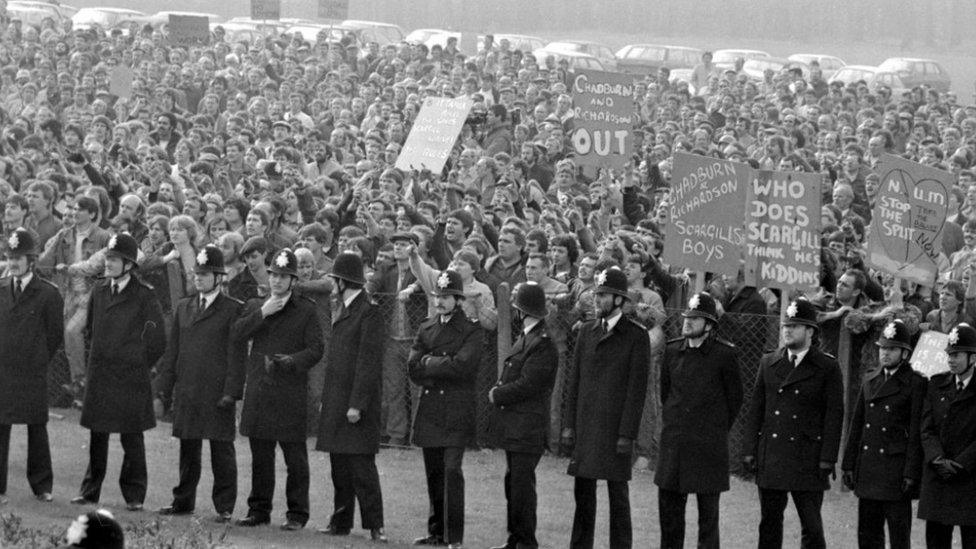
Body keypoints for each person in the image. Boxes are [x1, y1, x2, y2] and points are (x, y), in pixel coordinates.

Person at [72, 233, 167, 511]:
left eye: (114, 259)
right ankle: (90, 491)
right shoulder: (99, 291)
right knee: (97, 436)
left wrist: (136, 362)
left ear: (129, 264)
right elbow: (90, 329)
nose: (108, 263)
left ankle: (134, 496)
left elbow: (157, 340)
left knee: (132, 437)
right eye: (108, 258)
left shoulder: (144, 295)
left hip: (130, 377)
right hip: (101, 373)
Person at [153, 245, 246, 522]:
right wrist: (163, 388)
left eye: (206, 274)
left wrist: (232, 391)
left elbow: (237, 357)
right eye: (197, 274)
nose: (199, 278)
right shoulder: (185, 306)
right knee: (188, 449)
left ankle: (224, 506)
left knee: (221, 451)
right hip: (189, 389)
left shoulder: (232, 309)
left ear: (219, 277)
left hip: (217, 391)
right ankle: (183, 501)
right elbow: (173, 353)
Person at [742, 298, 844, 549]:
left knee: (811, 525)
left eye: (795, 326)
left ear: (810, 331)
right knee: (769, 523)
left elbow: (834, 415)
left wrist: (827, 458)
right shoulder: (770, 362)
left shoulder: (827, 366)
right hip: (773, 453)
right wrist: (749, 449)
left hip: (807, 457)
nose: (787, 330)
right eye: (786, 326)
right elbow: (756, 408)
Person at [234, 248, 324, 530]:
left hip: (289, 391)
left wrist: (292, 361)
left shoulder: (306, 309)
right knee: (261, 455)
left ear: (293, 281)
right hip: (261, 389)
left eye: (284, 277)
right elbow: (236, 334)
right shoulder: (255, 305)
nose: (277, 281)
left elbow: (316, 349)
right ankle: (258, 510)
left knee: (294, 457)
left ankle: (297, 514)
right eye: (274, 275)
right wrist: (262, 312)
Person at [561, 267, 650, 549]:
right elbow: (573, 382)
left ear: (620, 300)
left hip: (615, 429)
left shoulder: (636, 336)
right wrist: (568, 425)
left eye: (604, 295)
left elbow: (637, 392)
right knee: (583, 493)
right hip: (587, 425)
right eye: (597, 294)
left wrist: (627, 434)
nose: (598, 300)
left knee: (618, 495)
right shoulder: (586, 331)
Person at [655, 291, 743, 549]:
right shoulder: (672, 350)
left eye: (696, 318)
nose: (688, 322)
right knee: (670, 518)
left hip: (708, 447)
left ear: (709, 326)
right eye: (687, 317)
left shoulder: (724, 355)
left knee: (708, 519)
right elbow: (666, 393)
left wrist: (713, 428)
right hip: (675, 445)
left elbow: (734, 399)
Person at [408, 269, 483, 549]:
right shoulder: (427, 327)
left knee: (452, 472)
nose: (440, 301)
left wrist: (431, 363)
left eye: (447, 297)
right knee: (434, 472)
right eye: (437, 295)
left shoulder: (471, 329)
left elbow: (464, 366)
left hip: (456, 409)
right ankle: (436, 531)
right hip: (431, 409)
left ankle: (454, 537)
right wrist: (439, 364)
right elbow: (413, 367)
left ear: (458, 299)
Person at [315, 252, 387, 542]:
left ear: (343, 281)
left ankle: (375, 525)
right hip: (337, 398)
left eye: (335, 279)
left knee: (361, 467)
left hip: (356, 402)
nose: (332, 284)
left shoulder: (368, 313)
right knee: (339, 466)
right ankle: (340, 521)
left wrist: (357, 404)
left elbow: (368, 363)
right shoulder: (344, 309)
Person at [841, 319, 926, 549]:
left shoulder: (915, 383)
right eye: (883, 348)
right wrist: (848, 463)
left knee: (899, 536)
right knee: (868, 534)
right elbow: (857, 424)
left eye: (891, 349)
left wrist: (911, 472)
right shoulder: (870, 378)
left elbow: (917, 432)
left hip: (895, 471)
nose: (885, 353)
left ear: (905, 353)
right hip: (869, 467)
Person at [487, 282, 558, 549]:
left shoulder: (542, 343)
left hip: (528, 426)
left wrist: (498, 393)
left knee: (521, 486)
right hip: (517, 424)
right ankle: (515, 538)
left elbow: (530, 384)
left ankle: (526, 541)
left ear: (521, 311)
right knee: (514, 483)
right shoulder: (528, 338)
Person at [0, 228, 63, 504]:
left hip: (32, 371)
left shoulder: (48, 294)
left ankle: (41, 486)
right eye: (10, 256)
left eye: (19, 257)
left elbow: (54, 336)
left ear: (32, 260)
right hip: (2, 371)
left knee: (37, 428)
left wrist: (37, 358)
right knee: (0, 427)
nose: (13, 263)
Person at [918, 322, 976, 548]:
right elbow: (926, 427)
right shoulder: (937, 384)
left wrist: (961, 464)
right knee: (936, 541)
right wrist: (937, 459)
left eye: (957, 354)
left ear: (972, 357)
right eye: (949, 354)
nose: (951, 359)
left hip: (969, 478)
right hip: (938, 476)